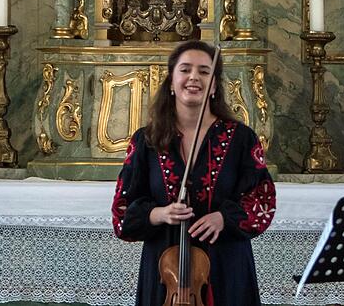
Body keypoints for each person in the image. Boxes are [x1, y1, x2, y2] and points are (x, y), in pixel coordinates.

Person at [111, 40, 276, 306]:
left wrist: (224, 218)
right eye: (185, 69)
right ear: (172, 81)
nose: (194, 77)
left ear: (214, 86)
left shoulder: (241, 138)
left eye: (204, 71)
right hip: (166, 271)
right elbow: (122, 213)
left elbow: (262, 201)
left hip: (226, 265)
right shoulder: (147, 140)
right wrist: (159, 214)